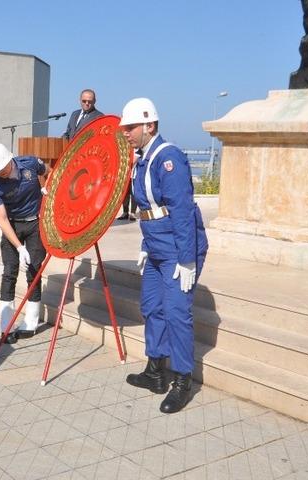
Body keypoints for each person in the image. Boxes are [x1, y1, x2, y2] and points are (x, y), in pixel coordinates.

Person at [119, 98, 208, 414]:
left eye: (130, 127)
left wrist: (187, 259)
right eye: (124, 128)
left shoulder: (167, 158)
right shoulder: (142, 158)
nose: (125, 133)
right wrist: (145, 247)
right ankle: (156, 371)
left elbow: (181, 211)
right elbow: (148, 210)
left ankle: (182, 380)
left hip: (177, 249)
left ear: (149, 125)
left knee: (176, 314)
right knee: (151, 307)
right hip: (157, 247)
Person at [0, 143, 48, 344]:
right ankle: (6, 325)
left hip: (35, 223)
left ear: (9, 161)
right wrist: (19, 247)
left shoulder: (29, 163)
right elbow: (1, 219)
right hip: (12, 226)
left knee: (34, 271)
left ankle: (31, 321)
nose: (0, 174)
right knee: (9, 272)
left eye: (2, 169)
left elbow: (48, 170)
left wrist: (47, 187)